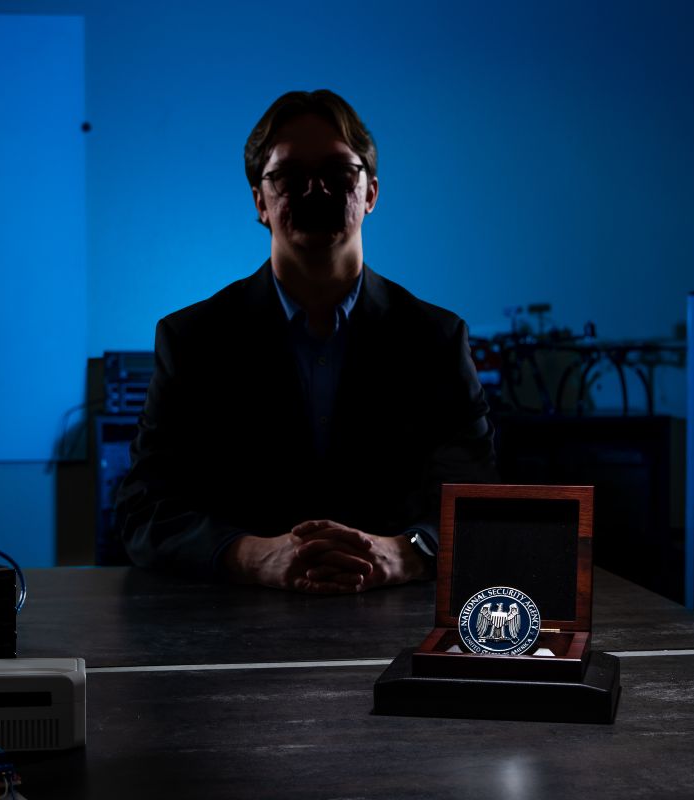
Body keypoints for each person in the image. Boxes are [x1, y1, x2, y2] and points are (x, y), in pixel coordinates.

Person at [112, 89, 497, 593]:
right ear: (260, 202)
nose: (316, 191)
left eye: (339, 173)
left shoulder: (436, 339)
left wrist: (405, 554)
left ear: (371, 192)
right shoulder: (193, 340)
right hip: (235, 635)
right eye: (290, 177)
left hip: (399, 630)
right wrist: (249, 555)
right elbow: (144, 510)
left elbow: (479, 501)